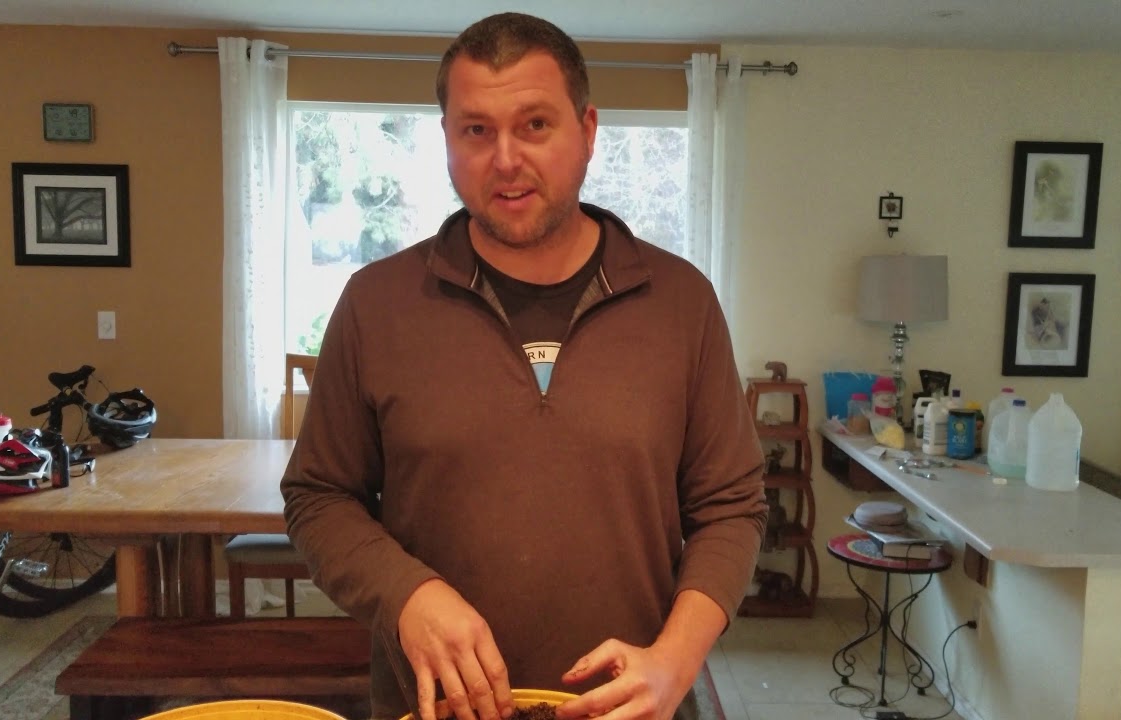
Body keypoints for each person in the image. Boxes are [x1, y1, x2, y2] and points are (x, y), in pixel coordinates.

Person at [281, 12, 766, 720]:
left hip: (630, 708)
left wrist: (675, 661)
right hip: (440, 708)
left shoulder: (681, 301)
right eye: (476, 130)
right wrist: (405, 593)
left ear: (588, 131)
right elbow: (319, 496)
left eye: (535, 125)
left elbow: (732, 506)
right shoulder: (376, 302)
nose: (505, 159)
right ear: (447, 138)